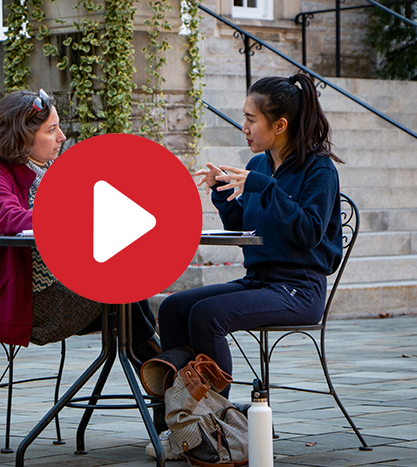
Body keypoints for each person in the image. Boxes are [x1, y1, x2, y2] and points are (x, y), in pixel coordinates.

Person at [147, 73, 344, 459]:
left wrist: (264, 187)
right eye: (245, 117)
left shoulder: (319, 171)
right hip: (259, 280)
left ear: (280, 125)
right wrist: (224, 196)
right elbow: (247, 230)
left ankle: (216, 425)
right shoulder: (259, 164)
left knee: (207, 315)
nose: (245, 127)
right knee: (173, 307)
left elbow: (309, 233)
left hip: (298, 289)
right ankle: (176, 423)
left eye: (251, 119)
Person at [0, 89, 160, 367]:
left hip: (56, 287)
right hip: (21, 300)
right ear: (22, 135)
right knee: (122, 289)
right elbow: (11, 220)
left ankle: (170, 382)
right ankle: (172, 383)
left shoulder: (48, 171)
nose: (62, 137)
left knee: (129, 286)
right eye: (51, 130)